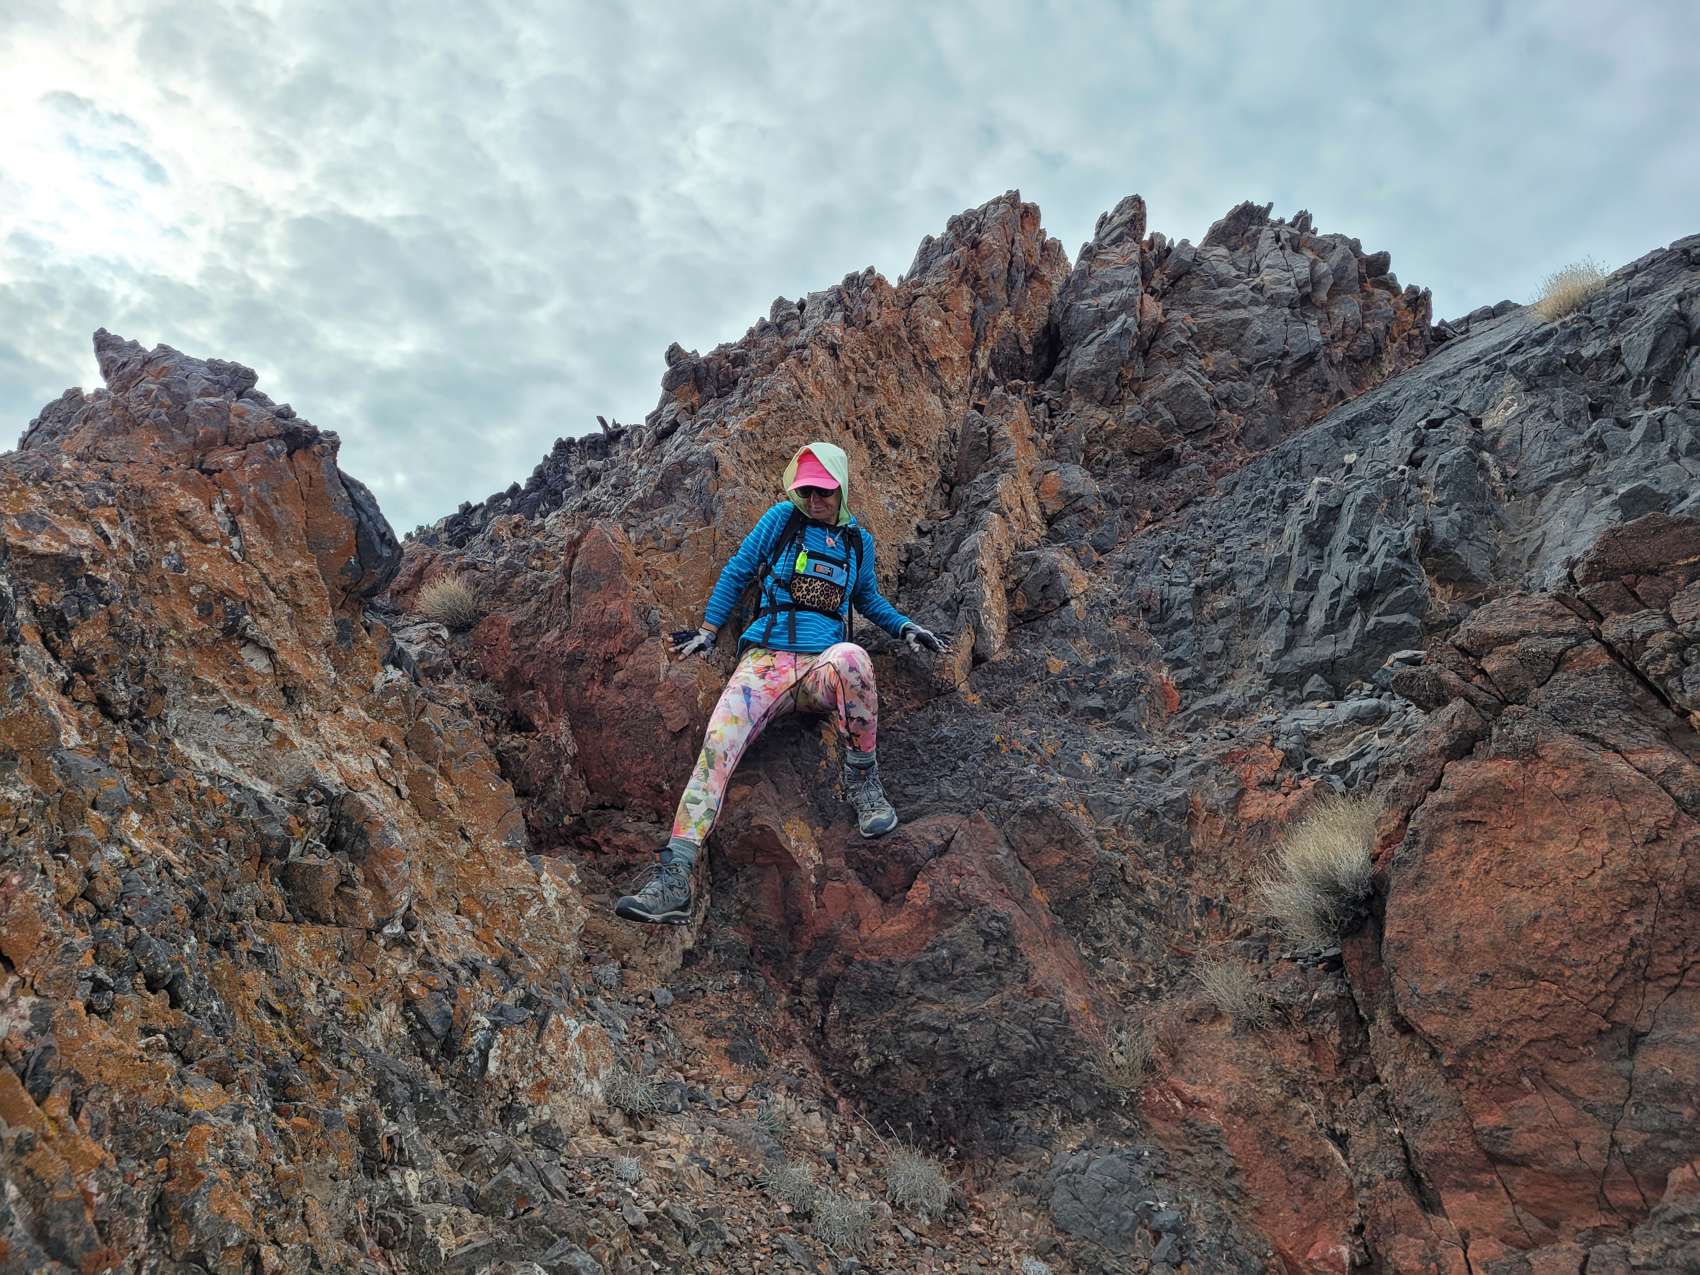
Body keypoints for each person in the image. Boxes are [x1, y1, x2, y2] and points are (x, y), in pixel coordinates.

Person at [615, 441, 946, 925]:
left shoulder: (858, 543)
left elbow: (868, 598)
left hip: (819, 669)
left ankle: (863, 783)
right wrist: (708, 631)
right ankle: (675, 878)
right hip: (765, 663)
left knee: (854, 658)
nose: (814, 500)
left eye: (824, 492)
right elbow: (738, 570)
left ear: (842, 490)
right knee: (717, 746)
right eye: (807, 491)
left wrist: (906, 627)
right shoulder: (781, 520)